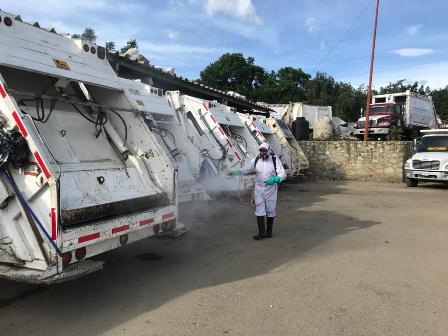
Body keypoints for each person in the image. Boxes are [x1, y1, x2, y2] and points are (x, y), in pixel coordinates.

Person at [229, 143, 286, 240]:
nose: (262, 152)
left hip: (271, 189)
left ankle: (269, 232)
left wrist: (275, 179)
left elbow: (282, 173)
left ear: (268, 151)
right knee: (259, 210)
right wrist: (237, 172)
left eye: (264, 150)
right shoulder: (256, 160)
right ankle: (261, 233)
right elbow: (246, 169)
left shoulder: (274, 159)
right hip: (259, 189)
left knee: (270, 210)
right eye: (261, 150)